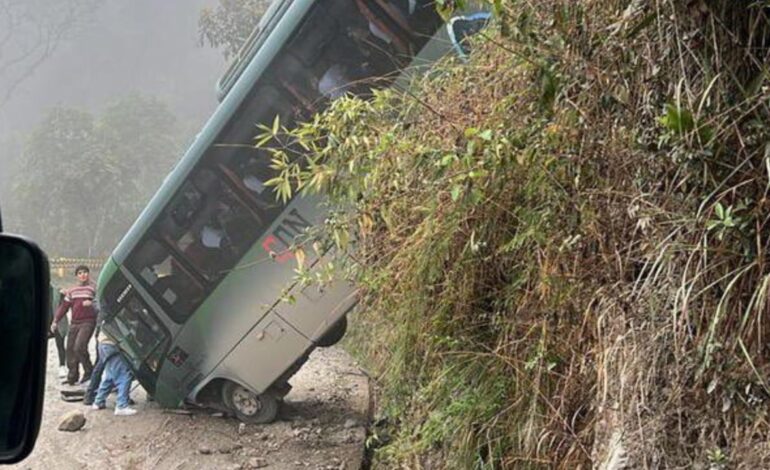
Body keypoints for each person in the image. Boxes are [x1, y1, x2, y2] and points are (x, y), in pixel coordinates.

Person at [51, 265, 98, 386]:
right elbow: (64, 307)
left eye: (85, 272)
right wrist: (55, 320)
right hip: (74, 322)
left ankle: (89, 372)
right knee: (70, 350)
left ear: (88, 274)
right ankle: (72, 376)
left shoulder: (93, 288)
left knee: (79, 346)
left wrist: (91, 303)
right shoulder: (72, 290)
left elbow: (100, 302)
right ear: (76, 276)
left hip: (88, 322)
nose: (83, 275)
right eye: (80, 273)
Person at [91, 340, 137, 416]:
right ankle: (121, 406)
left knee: (109, 376)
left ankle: (98, 401)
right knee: (124, 376)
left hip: (103, 344)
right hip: (113, 344)